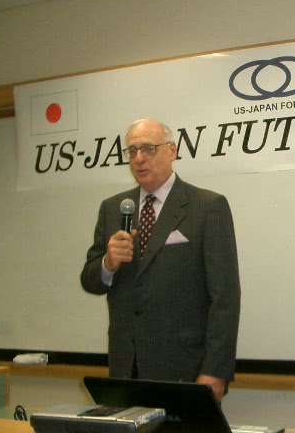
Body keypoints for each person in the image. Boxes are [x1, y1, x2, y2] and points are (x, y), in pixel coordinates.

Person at [80, 118, 241, 402]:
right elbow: (90, 280)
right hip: (126, 369)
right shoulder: (113, 208)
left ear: (172, 151)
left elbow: (225, 297)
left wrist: (215, 370)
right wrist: (108, 264)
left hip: (185, 369)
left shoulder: (207, 207)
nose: (139, 158)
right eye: (132, 151)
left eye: (148, 149)